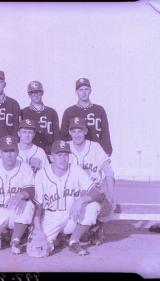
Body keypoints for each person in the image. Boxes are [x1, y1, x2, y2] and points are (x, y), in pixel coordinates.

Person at [31, 140, 103, 257]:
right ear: (51, 157)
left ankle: (73, 241)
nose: (63, 159)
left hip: (72, 215)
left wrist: (81, 200)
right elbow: (38, 205)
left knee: (93, 206)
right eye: (59, 155)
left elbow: (96, 193)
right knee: (38, 252)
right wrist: (37, 226)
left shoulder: (76, 170)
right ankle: (58, 238)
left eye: (66, 155)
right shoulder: (42, 174)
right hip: (51, 217)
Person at [67, 117, 116, 245]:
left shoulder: (95, 147)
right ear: (70, 132)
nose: (77, 134)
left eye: (80, 130)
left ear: (85, 131)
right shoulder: (65, 147)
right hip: (71, 193)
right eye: (74, 131)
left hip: (94, 192)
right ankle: (73, 232)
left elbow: (109, 172)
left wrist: (111, 194)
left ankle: (96, 228)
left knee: (108, 205)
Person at [60, 78, 113, 156]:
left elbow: (105, 133)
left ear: (90, 91)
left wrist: (107, 151)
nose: (84, 93)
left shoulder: (99, 110)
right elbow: (63, 135)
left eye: (86, 89)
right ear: (76, 92)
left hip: (96, 151)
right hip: (76, 152)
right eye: (81, 90)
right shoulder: (69, 111)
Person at [21, 81, 60, 156]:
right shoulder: (24, 112)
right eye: (33, 92)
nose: (36, 95)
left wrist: (55, 152)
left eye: (38, 92)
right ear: (29, 94)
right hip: (30, 151)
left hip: (49, 151)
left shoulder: (52, 112)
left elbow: (57, 136)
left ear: (42, 93)